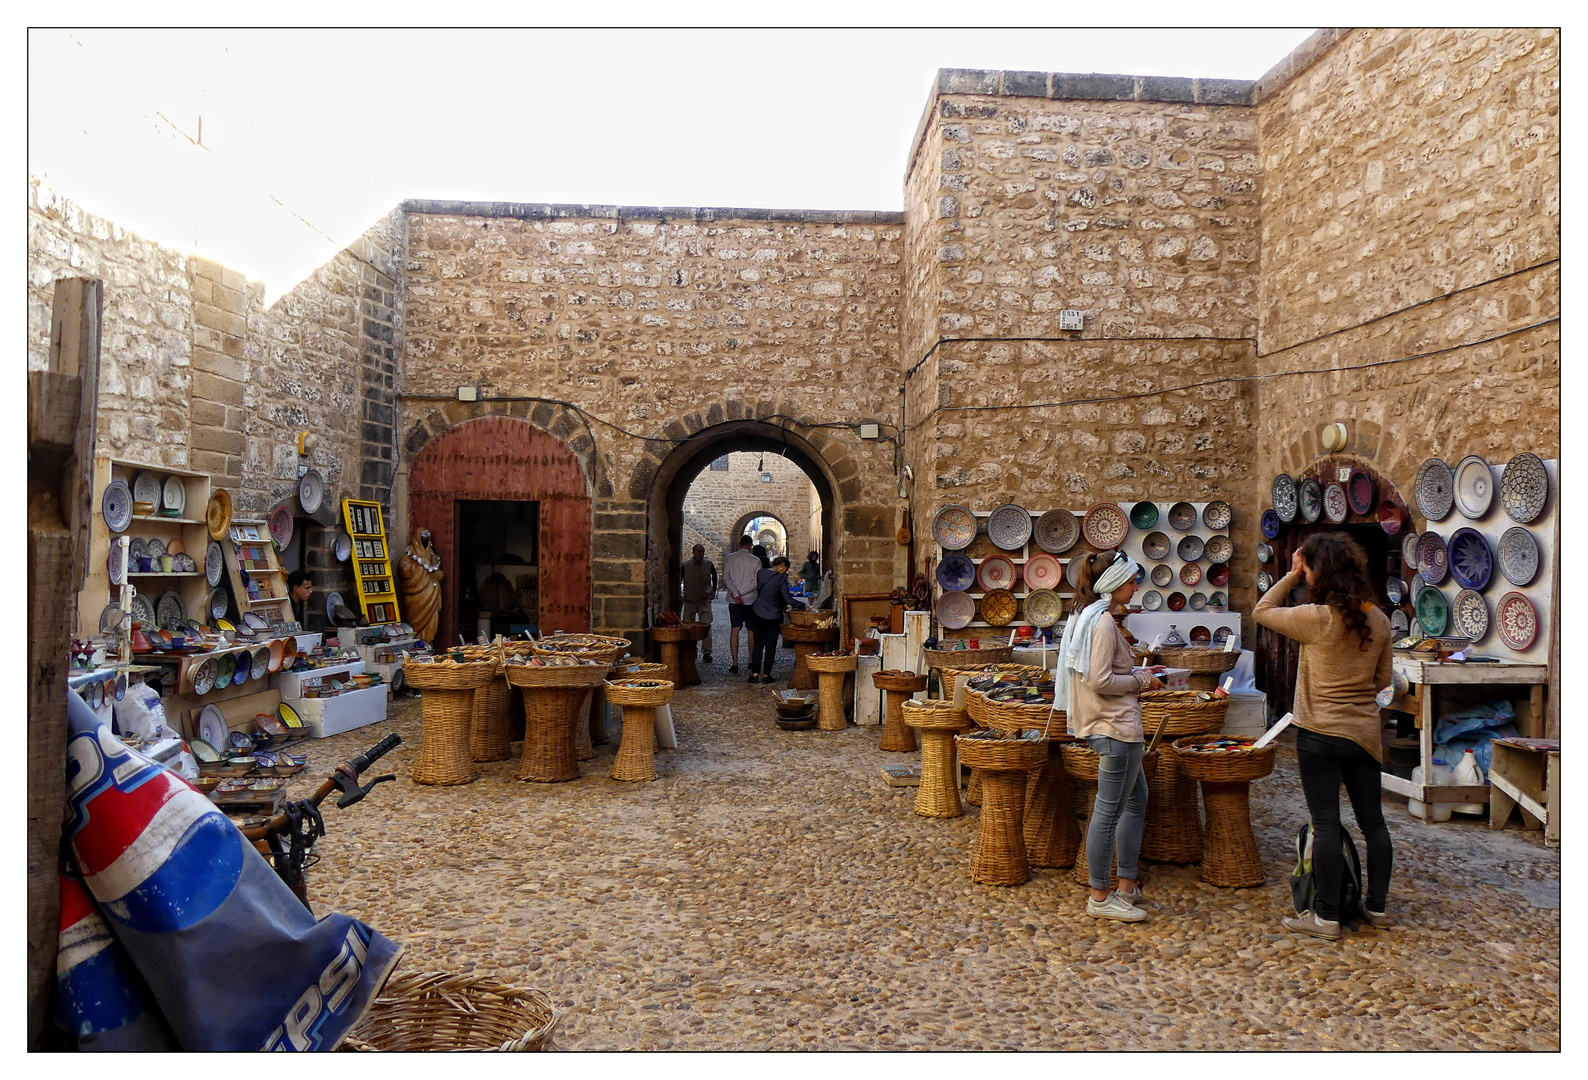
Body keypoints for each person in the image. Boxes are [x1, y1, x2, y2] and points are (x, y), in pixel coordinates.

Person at [1255, 533, 1394, 940]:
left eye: (1309, 568)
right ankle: (1379, 907)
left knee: (1326, 823)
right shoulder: (1380, 620)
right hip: (1363, 733)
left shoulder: (1316, 617)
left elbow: (1262, 609)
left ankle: (1327, 917)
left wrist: (1291, 572)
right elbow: (1383, 681)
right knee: (1374, 824)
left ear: (1317, 572)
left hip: (1318, 732)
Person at [1056, 550, 1165, 922]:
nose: (1136, 587)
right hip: (1113, 726)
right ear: (1115, 583)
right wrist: (1141, 680)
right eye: (1132, 581)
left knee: (1136, 800)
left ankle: (1126, 884)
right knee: (1108, 810)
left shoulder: (1092, 617)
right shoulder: (1100, 622)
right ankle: (1100, 895)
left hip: (1114, 724)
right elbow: (1099, 680)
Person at [748, 556, 804, 684]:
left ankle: (755, 674)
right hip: (773, 616)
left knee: (758, 644)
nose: (785, 572)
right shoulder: (780, 579)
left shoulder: (760, 573)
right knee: (770, 646)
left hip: (758, 613)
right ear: (782, 565)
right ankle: (767, 675)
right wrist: (803, 606)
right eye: (785, 569)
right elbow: (788, 599)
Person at [722, 535, 762, 675]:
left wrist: (736, 593)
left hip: (734, 600)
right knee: (751, 631)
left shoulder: (729, 558)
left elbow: (726, 578)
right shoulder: (756, 561)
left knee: (735, 629)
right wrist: (743, 593)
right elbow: (756, 582)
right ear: (751, 545)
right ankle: (751, 660)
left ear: (739, 544)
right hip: (750, 599)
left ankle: (735, 663)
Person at [679, 544, 718, 662]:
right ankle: (690, 650)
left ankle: (707, 652)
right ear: (694, 552)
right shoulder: (685, 566)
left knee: (706, 626)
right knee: (688, 627)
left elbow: (715, 576)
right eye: (699, 551)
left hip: (704, 600)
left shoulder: (708, 564)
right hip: (690, 600)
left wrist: (714, 590)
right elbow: (679, 579)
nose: (701, 554)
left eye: (703, 551)